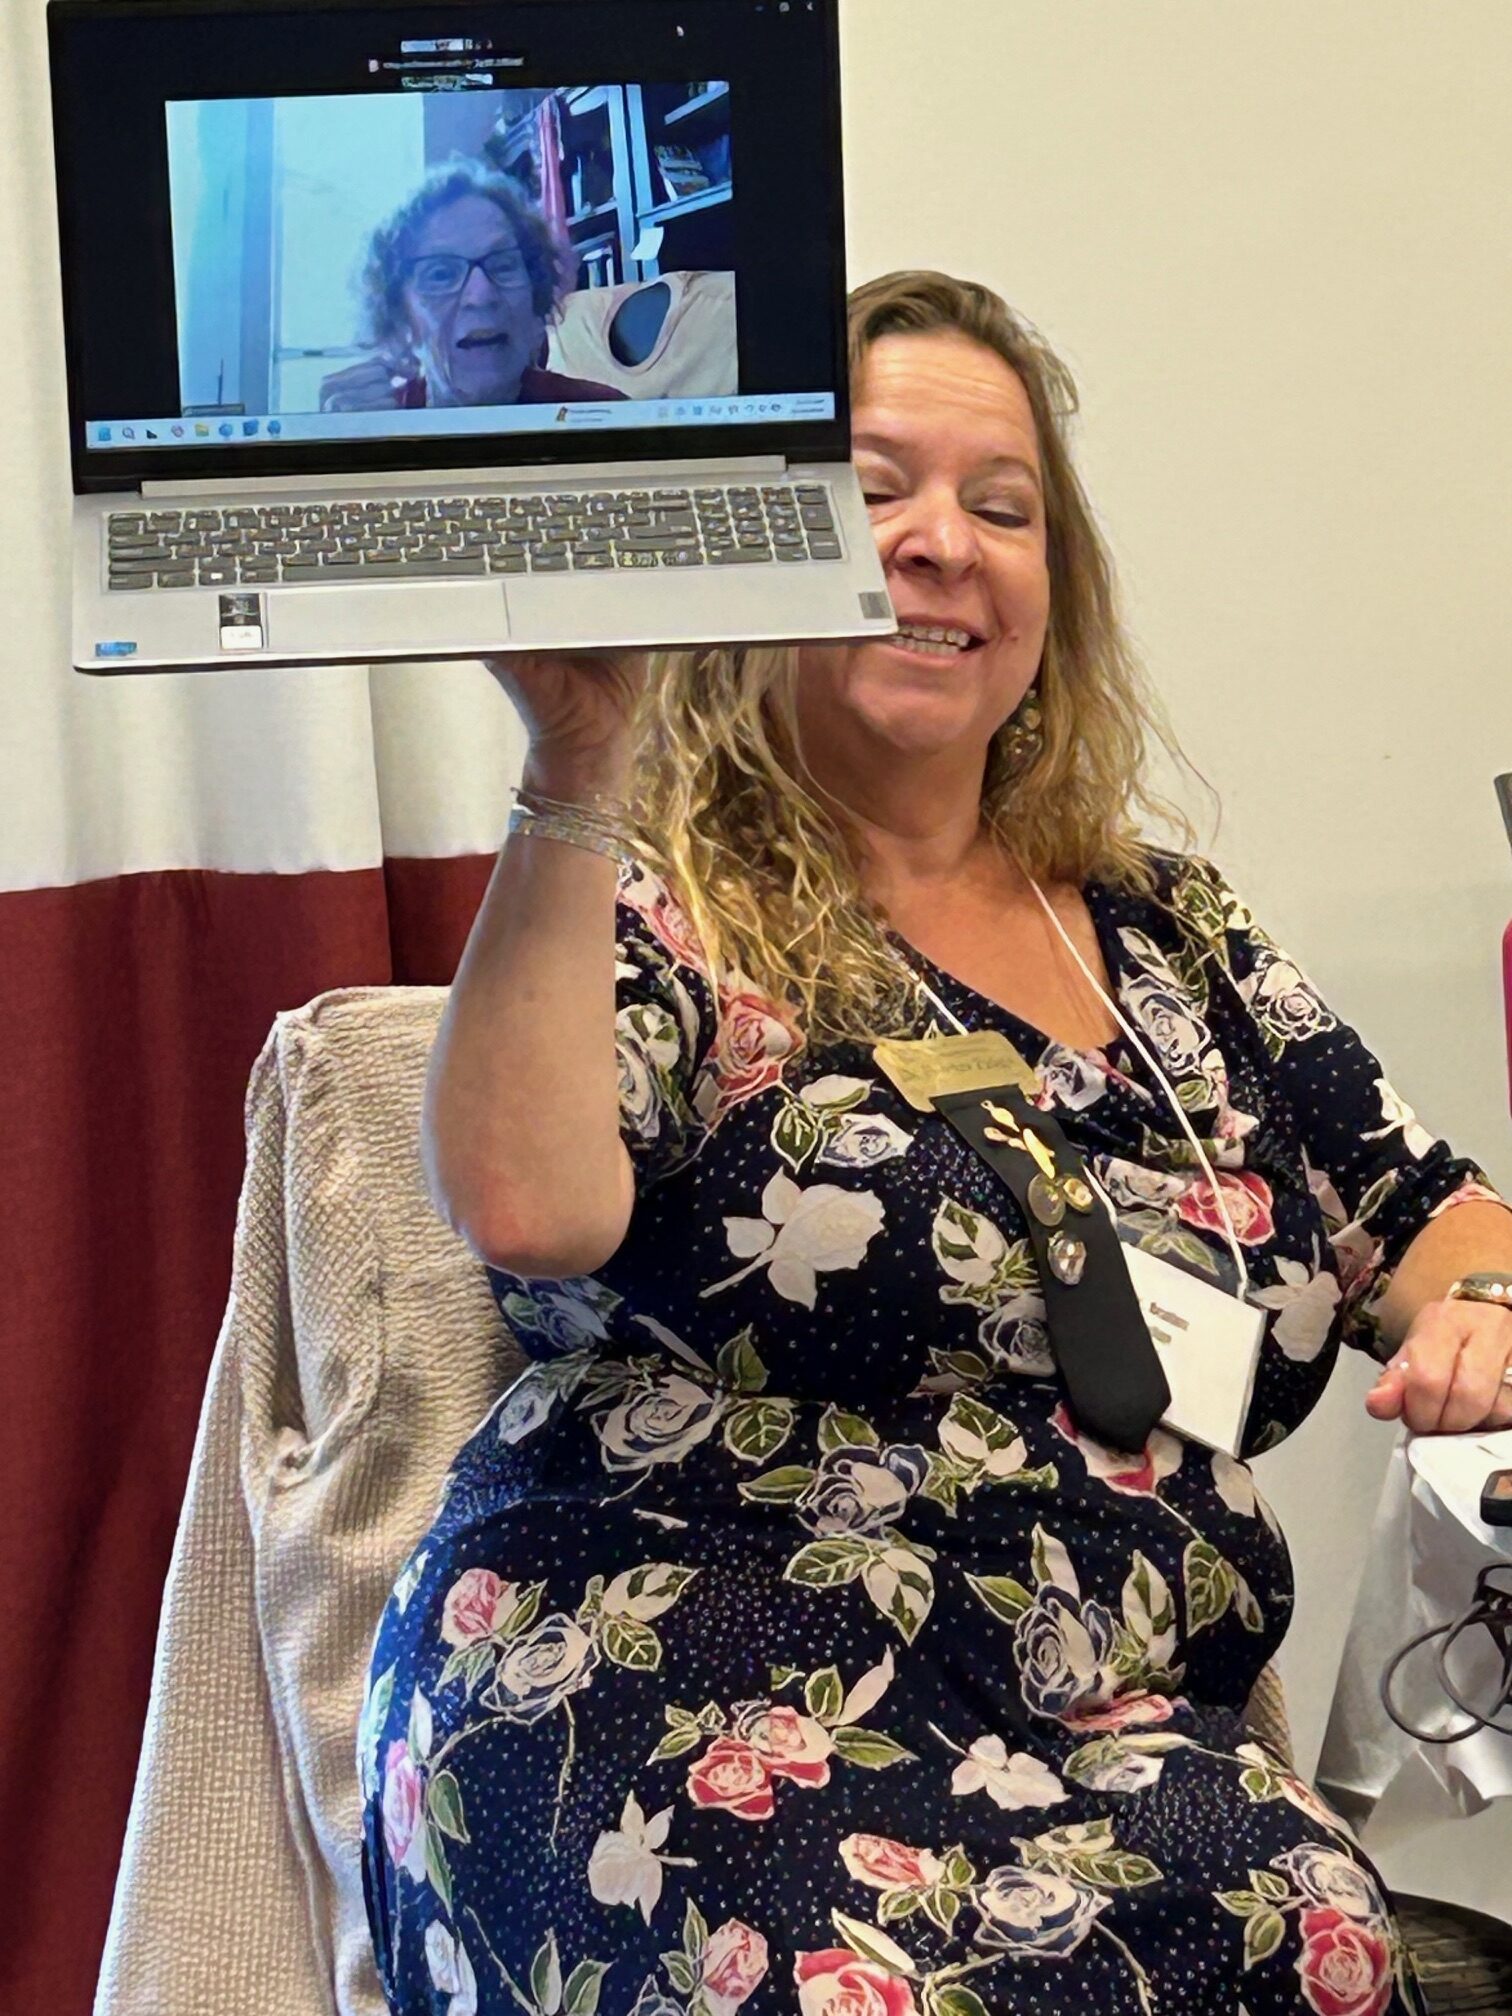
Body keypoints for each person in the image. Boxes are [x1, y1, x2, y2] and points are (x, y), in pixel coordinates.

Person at [359, 271, 1512, 2015]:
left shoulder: (1167, 933)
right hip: (674, 1669)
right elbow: (523, 1202)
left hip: (1094, 1721)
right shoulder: (655, 894)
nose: (940, 543)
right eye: (871, 488)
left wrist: (1480, 1309)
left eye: (1002, 506)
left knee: (1317, 1939)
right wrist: (575, 766)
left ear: (1058, 589)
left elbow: (1431, 1216)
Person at [320, 160, 627, 414]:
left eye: (503, 265)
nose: (482, 295)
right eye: (441, 274)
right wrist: (344, 452)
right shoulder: (374, 424)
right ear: (400, 320)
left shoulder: (605, 416)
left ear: (536, 300)